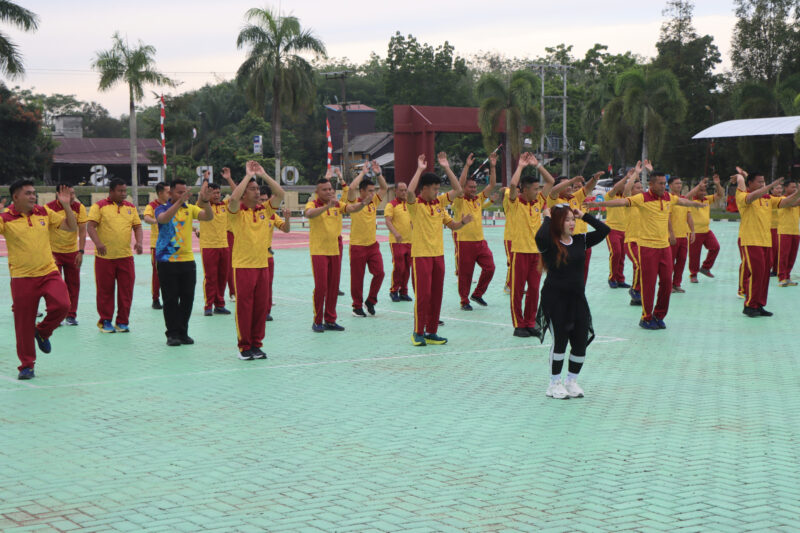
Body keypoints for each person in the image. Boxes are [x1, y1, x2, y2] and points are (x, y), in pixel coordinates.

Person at [586, 167, 703, 329]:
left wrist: (696, 205)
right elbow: (621, 202)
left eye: (664, 183)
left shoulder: (668, 197)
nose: (664, 186)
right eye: (660, 184)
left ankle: (659, 315)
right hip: (647, 247)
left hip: (665, 248)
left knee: (667, 283)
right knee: (648, 285)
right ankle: (646, 317)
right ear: (652, 184)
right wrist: (599, 204)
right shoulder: (642, 198)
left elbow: (683, 201)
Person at [1, 181, 76, 379]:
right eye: (28, 193)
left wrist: (66, 205)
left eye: (34, 193)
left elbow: (70, 226)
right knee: (23, 324)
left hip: (48, 272)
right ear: (15, 197)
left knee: (63, 305)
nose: (33, 197)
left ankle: (42, 331)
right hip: (22, 277)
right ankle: (27, 365)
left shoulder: (43, 212)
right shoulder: (5, 218)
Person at [535, 204, 610, 399]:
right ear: (558, 222)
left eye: (572, 219)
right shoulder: (549, 242)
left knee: (579, 341)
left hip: (577, 299)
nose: (571, 223)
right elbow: (540, 237)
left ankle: (571, 380)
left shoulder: (580, 241)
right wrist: (547, 218)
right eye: (567, 219)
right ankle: (554, 383)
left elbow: (604, 230)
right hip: (555, 300)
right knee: (560, 341)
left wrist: (584, 215)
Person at [406, 153, 470, 346]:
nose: (437, 192)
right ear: (424, 189)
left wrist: (447, 167)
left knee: (436, 295)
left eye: (437, 189)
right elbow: (409, 192)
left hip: (438, 257)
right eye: (434, 189)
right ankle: (417, 332)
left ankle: (431, 332)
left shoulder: (439, 204)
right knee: (423, 296)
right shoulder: (415, 205)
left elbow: (458, 191)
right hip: (421, 257)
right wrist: (419, 169)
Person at [228, 161, 285, 359]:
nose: (256, 192)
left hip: (262, 265)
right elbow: (234, 198)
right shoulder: (236, 213)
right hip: (243, 266)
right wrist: (247, 176)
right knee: (245, 307)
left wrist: (262, 174)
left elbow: (280, 194)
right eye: (252, 189)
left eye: (257, 189)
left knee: (260, 308)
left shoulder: (265, 210)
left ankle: (257, 344)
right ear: (244, 192)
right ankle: (244, 347)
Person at [154, 179, 213, 346]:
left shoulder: (190, 209)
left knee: (187, 298)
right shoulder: (161, 208)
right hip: (167, 260)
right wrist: (179, 202)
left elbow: (208, 216)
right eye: (179, 192)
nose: (183, 195)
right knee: (170, 299)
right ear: (170, 193)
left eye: (184, 192)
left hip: (187, 260)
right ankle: (172, 334)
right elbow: (164, 219)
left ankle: (183, 331)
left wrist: (206, 201)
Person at [305, 173, 366, 332]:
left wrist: (362, 203)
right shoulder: (312, 204)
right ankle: (317, 320)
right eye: (325, 189)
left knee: (333, 287)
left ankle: (330, 320)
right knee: (321, 287)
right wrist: (327, 207)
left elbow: (351, 208)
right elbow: (309, 214)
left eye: (330, 189)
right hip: (319, 251)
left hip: (335, 250)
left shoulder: (337, 204)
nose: (329, 192)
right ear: (318, 192)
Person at [734, 169, 800, 315]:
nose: (762, 184)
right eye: (759, 182)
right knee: (756, 273)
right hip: (751, 241)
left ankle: (759, 304)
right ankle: (749, 305)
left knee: (764, 275)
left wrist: (798, 193)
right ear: (749, 183)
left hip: (766, 242)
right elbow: (751, 197)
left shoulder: (767, 199)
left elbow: (787, 202)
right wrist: (770, 186)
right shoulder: (742, 195)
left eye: (763, 182)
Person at [507, 153, 558, 337]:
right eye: (535, 189)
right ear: (525, 190)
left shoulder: (538, 202)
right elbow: (513, 185)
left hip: (536, 253)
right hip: (519, 251)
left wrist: (538, 165)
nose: (538, 191)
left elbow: (551, 181)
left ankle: (530, 322)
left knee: (535, 290)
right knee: (518, 290)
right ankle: (518, 324)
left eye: (538, 188)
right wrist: (520, 166)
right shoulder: (513, 203)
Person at [87, 178, 143, 333]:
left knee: (126, 290)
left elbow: (138, 227)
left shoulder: (130, 207)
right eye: (120, 191)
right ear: (111, 191)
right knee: (105, 291)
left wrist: (139, 242)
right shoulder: (99, 207)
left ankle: (122, 321)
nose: (124, 194)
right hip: (105, 258)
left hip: (125, 257)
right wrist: (98, 243)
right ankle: (105, 321)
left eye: (125, 191)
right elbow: (90, 226)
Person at [452, 152, 497, 310]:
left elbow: (491, 185)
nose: (473, 189)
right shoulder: (458, 201)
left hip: (480, 242)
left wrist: (492, 166)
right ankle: (464, 300)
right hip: (465, 243)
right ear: (463, 188)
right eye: (470, 187)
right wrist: (467, 166)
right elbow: (459, 184)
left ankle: (477, 294)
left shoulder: (478, 199)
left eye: (475, 187)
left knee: (490, 267)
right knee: (466, 274)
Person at [347, 160, 388, 317]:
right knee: (357, 279)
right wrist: (363, 172)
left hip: (372, 246)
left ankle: (371, 300)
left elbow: (384, 188)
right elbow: (351, 188)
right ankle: (357, 306)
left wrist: (378, 174)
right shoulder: (353, 202)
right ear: (362, 191)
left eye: (373, 191)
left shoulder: (374, 203)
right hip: (357, 246)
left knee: (380, 273)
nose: (373, 194)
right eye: (370, 191)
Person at [547, 171, 603, 284]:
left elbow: (587, 188)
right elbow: (553, 191)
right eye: (566, 185)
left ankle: (579, 294)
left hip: (582, 241)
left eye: (570, 185)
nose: (569, 187)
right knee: (564, 273)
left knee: (583, 272)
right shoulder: (554, 199)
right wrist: (572, 180)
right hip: (563, 243)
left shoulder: (575, 197)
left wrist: (594, 179)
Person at [45, 183, 88, 326]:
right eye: (69, 193)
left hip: (72, 253)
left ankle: (71, 315)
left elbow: (82, 230)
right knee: (53, 287)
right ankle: (55, 315)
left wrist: (81, 251)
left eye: (73, 193)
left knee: (73, 285)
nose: (73, 196)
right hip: (53, 254)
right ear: (59, 194)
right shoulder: (49, 208)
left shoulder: (78, 207)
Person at [198, 180, 232, 316]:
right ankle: (208, 305)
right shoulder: (203, 205)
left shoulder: (225, 205)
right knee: (210, 277)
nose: (217, 195)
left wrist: (229, 178)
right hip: (208, 246)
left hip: (224, 245)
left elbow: (237, 195)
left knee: (223, 277)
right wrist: (205, 181)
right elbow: (201, 197)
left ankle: (220, 304)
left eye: (218, 192)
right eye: (213, 193)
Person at [259, 184, 291, 320]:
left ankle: (266, 312)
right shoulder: (247, 214)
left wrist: (287, 218)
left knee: (267, 286)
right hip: (250, 257)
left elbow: (286, 229)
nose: (263, 203)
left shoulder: (271, 215)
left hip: (267, 257)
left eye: (265, 199)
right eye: (260, 199)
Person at [686, 175, 724, 283]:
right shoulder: (689, 200)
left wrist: (717, 184)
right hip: (694, 232)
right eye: (701, 191)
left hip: (706, 231)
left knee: (715, 247)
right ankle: (693, 274)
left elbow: (720, 194)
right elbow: (687, 195)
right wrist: (699, 186)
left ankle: (705, 267)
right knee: (694, 255)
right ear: (696, 190)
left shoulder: (707, 199)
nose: (703, 193)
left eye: (704, 191)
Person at [603, 169, 634, 289]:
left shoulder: (626, 197)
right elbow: (616, 187)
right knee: (615, 253)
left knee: (622, 255)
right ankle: (612, 278)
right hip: (612, 229)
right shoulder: (610, 196)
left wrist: (633, 176)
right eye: (623, 184)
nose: (625, 186)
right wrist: (626, 177)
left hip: (625, 230)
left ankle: (620, 279)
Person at [142, 182, 169, 309]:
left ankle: (170, 297)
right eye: (167, 192)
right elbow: (146, 218)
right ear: (160, 193)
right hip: (158, 246)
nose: (169, 194)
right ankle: (156, 299)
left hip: (172, 245)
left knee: (172, 273)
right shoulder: (152, 206)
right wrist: (156, 221)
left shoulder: (171, 205)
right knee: (157, 273)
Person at [385, 181, 413, 302]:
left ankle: (404, 291)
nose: (404, 192)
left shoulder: (411, 205)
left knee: (407, 268)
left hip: (411, 241)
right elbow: (388, 221)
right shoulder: (391, 205)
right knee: (399, 267)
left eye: (405, 190)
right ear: (395, 191)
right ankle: (394, 290)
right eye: (401, 190)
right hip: (397, 242)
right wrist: (396, 233)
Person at [667, 176, 695, 293]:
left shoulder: (683, 200)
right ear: (670, 185)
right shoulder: (668, 199)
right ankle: (667, 285)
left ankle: (676, 284)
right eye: (676, 183)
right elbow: (666, 218)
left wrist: (693, 231)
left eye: (680, 183)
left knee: (682, 261)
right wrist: (671, 234)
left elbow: (688, 216)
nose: (679, 185)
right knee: (669, 263)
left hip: (683, 236)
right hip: (672, 236)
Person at [622, 167, 644, 305]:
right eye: (637, 188)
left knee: (644, 267)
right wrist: (635, 174)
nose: (641, 190)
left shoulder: (645, 203)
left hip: (644, 241)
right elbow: (626, 190)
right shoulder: (628, 202)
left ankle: (637, 296)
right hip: (631, 241)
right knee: (639, 264)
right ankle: (635, 289)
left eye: (642, 188)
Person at [777, 181, 800, 286]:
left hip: (795, 231)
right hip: (784, 231)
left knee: (792, 256)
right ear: (785, 188)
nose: (794, 189)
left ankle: (788, 276)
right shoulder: (782, 199)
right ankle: (782, 277)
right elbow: (793, 203)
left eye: (796, 187)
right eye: (792, 187)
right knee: (783, 256)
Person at [502, 184, 516, 295]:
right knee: (511, 262)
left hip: (521, 239)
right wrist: (508, 189)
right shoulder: (508, 205)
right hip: (510, 238)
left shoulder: (520, 204)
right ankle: (508, 285)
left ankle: (515, 285)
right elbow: (508, 194)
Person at [770, 183, 784, 276]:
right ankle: (768, 268)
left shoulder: (783, 199)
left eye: (780, 188)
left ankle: (776, 270)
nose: (779, 190)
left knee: (778, 250)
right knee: (772, 250)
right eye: (777, 188)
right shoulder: (769, 199)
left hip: (780, 228)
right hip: (770, 228)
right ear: (771, 190)